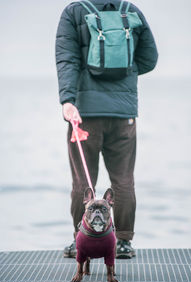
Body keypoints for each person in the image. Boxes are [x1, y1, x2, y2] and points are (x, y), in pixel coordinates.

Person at [55, 0, 158, 259]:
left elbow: (67, 60)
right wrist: (125, 72)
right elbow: (149, 58)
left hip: (85, 114)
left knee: (82, 181)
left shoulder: (74, 12)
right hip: (123, 114)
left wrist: (68, 101)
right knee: (123, 181)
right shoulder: (131, 10)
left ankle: (82, 238)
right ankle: (123, 243)